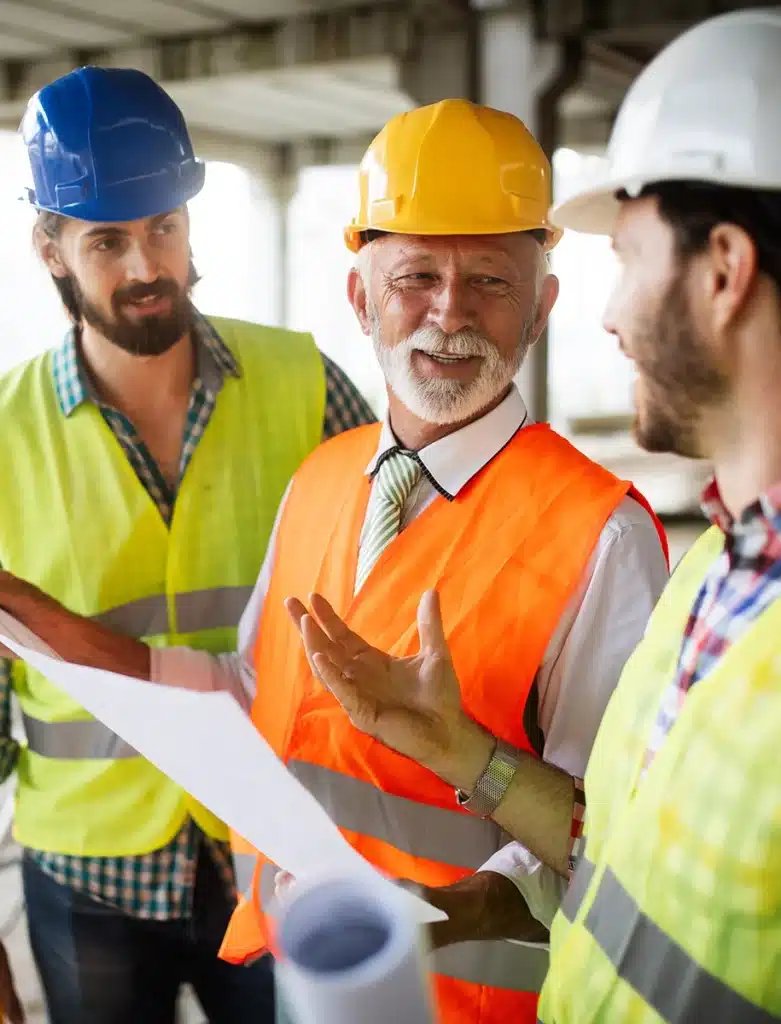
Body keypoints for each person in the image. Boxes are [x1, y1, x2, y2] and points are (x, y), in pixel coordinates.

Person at [0, 99, 668, 1022]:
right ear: (360, 297)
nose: (447, 312)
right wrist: (44, 627)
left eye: (490, 282)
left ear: (543, 305)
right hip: (308, 975)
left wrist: (442, 913)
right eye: (414, 276)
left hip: (472, 1000)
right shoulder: (322, 478)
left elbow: (619, 836)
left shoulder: (602, 536)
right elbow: (245, 686)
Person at [289, 10, 781, 1022]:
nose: (607, 315)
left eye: (629, 257)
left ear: (724, 269)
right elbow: (612, 841)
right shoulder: (715, 572)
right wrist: (459, 747)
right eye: (416, 275)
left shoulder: (616, 535)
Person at [0, 66, 374, 1024]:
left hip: (275, 844)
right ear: (50, 247)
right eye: (107, 240)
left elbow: (390, 590)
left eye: (163, 226)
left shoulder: (303, 382)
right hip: (88, 870)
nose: (144, 266)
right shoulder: (4, 433)